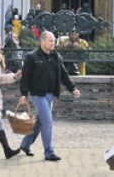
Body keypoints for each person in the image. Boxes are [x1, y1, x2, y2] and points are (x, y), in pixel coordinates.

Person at [19, 31, 80, 161]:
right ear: (42, 41)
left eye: (54, 41)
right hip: (38, 95)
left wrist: (72, 88)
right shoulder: (32, 57)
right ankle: (49, 152)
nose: (53, 43)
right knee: (47, 121)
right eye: (50, 41)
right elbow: (25, 77)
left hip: (50, 95)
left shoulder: (56, 57)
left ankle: (25, 144)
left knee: (40, 122)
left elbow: (64, 75)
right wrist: (24, 93)